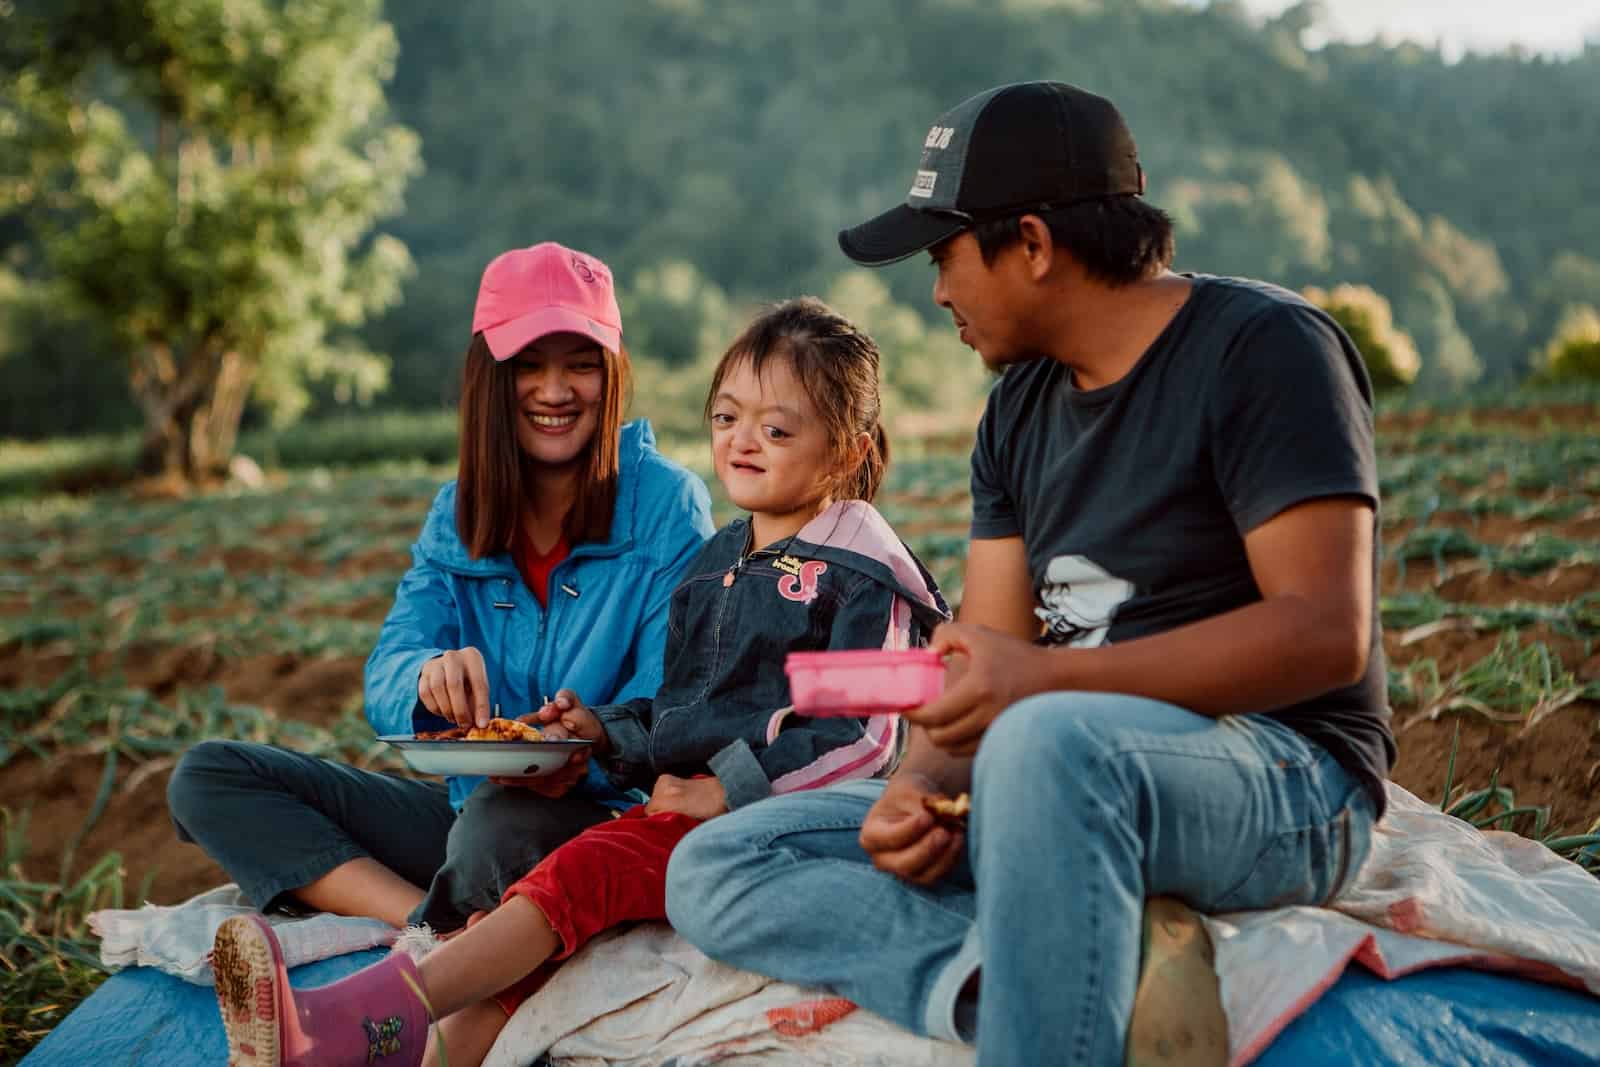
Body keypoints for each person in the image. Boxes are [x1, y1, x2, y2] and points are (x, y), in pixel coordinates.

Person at [665, 81, 1394, 1065]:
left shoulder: (1264, 350)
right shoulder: (1015, 415)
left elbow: (1320, 633)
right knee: (721, 859)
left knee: (1047, 741)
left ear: (1034, 245)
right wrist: (914, 788)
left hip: (1286, 776)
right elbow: (986, 663)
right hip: (1050, 770)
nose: (936, 292)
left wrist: (1042, 684)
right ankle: (995, 982)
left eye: (944, 256)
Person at [208, 297, 952, 1067]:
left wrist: (727, 790)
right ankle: (395, 1052)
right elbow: (680, 707)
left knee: (576, 872)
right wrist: (601, 728)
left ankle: (350, 1013)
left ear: (846, 449)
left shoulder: (859, 571)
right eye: (727, 417)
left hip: (785, 822)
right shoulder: (720, 563)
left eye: (777, 428)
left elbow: (865, 733)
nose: (742, 442)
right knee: (540, 941)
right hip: (685, 812)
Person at [167, 242, 715, 935]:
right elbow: (386, 673)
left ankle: (451, 933)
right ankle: (434, 925)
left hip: (608, 819)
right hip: (473, 809)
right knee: (208, 777)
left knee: (496, 828)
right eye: (528, 366)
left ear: (611, 375)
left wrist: (588, 748)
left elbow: (673, 700)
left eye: (581, 364)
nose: (555, 390)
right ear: (489, 375)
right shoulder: (456, 513)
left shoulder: (666, 503)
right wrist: (426, 675)